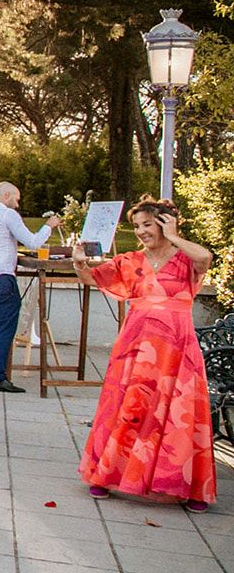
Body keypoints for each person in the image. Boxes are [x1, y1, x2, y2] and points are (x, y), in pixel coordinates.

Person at [74, 198, 217, 513]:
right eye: (137, 226)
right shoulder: (131, 260)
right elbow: (90, 278)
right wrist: (80, 262)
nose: (140, 232)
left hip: (177, 348)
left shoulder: (186, 259)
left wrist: (175, 236)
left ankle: (188, 486)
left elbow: (206, 257)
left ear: (164, 223)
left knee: (181, 412)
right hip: (136, 346)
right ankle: (106, 474)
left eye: (147, 225)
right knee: (128, 407)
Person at [0, 181, 60, 392]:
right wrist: (49, 225)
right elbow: (33, 242)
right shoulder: (8, 215)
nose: (17, 205)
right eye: (17, 199)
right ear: (7, 195)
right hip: (2, 276)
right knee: (5, 326)